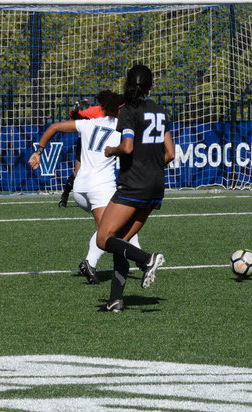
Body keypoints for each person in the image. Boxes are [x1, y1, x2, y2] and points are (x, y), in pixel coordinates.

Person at [29, 91, 132, 285]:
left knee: (120, 223)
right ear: (119, 110)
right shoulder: (122, 128)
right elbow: (130, 148)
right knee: (109, 232)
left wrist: (38, 152)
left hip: (79, 189)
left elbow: (54, 127)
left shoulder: (88, 124)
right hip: (100, 188)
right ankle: (100, 262)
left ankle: (138, 261)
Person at [97, 64, 175, 312]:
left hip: (134, 184)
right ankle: (115, 300)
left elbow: (128, 147)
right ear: (151, 85)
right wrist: (151, 167)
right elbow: (170, 153)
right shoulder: (160, 111)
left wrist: (112, 150)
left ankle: (147, 259)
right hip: (156, 185)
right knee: (121, 242)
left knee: (103, 239)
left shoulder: (129, 111)